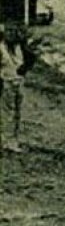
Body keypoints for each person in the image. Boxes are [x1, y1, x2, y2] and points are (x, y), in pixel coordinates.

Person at [0, 24, 25, 152]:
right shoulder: (1, 48)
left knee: (17, 113)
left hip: (18, 83)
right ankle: (7, 141)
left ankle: (14, 139)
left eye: (13, 31)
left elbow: (21, 65)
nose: (11, 34)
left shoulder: (17, 48)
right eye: (8, 31)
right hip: (7, 83)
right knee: (7, 112)